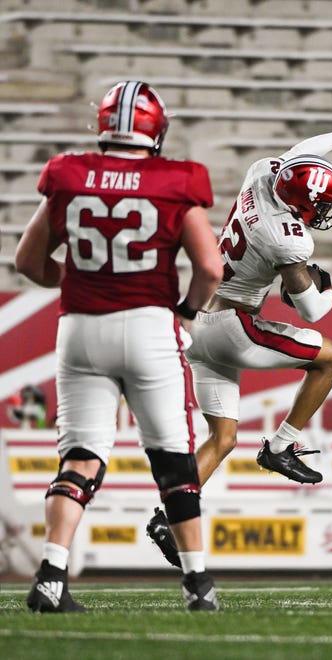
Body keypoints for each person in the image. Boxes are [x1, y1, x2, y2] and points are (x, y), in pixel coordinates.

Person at [15, 81, 224, 612]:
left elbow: (28, 263)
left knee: (81, 456)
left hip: (80, 326)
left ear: (105, 124)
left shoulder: (68, 173)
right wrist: (187, 313)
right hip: (149, 325)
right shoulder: (178, 178)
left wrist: (85, 278)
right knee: (173, 459)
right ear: (156, 129)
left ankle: (50, 577)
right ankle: (198, 586)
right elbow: (209, 268)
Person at [146, 99, 332, 565]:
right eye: (321, 205)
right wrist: (320, 285)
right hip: (232, 325)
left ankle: (164, 518)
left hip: (199, 326)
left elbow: (299, 155)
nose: (323, 212)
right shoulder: (288, 236)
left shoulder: (262, 174)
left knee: (223, 439)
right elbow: (312, 310)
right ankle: (282, 445)